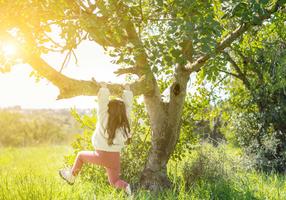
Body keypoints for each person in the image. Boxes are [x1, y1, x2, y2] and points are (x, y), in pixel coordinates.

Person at [59, 82, 133, 195]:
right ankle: (127, 187)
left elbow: (102, 104)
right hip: (115, 157)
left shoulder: (104, 117)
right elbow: (128, 108)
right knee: (114, 181)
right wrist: (127, 92)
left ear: (109, 110)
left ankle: (71, 177)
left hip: (101, 155)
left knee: (80, 156)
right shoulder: (125, 124)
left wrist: (104, 89)